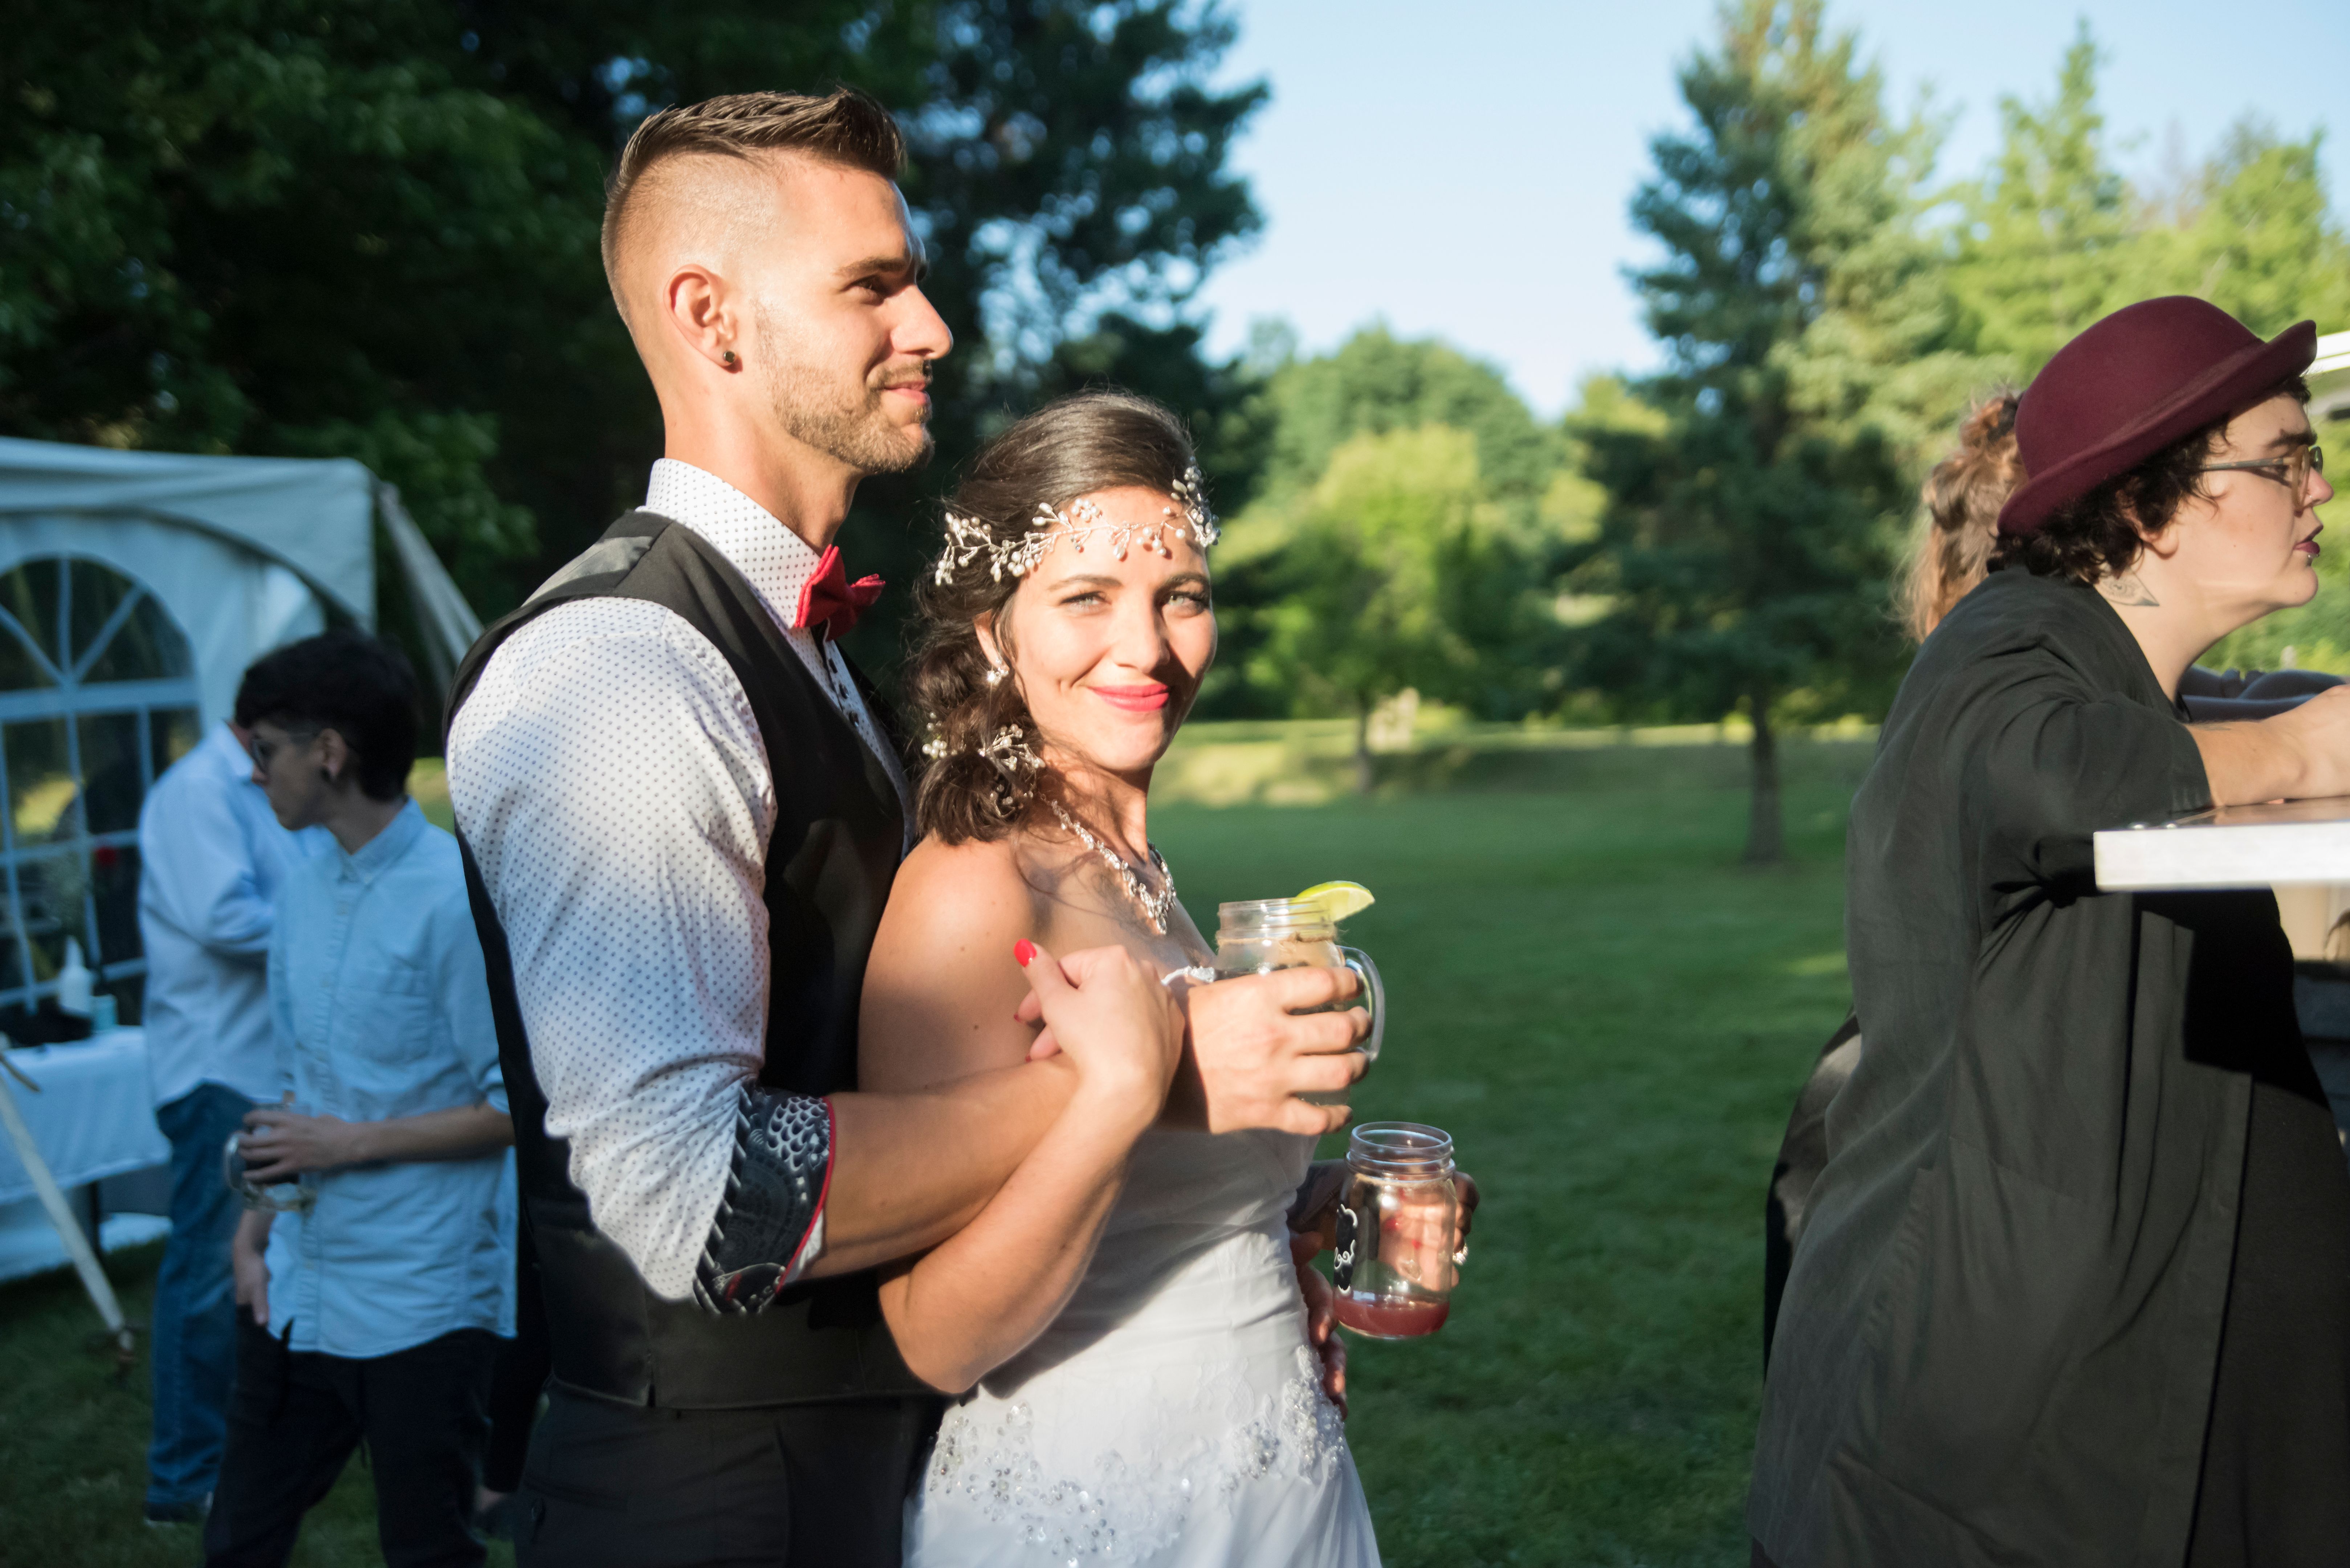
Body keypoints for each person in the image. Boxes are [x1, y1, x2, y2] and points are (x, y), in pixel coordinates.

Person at [443, 89, 1367, 1568]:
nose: (930, 325)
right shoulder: (619, 671)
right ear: (711, 318)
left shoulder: (811, 662)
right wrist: (1146, 1075)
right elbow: (700, 1202)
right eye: (872, 287)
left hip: (882, 1470)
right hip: (710, 1504)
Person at [1750, 294, 2350, 1567]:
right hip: (1988, 1429)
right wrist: (2302, 750)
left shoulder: (2130, 675)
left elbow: (2247, 713)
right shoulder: (2006, 643)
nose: (2319, 489)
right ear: (2148, 506)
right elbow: (2047, 769)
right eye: (2285, 459)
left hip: (2128, 1387)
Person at [862, 391, 1382, 1565]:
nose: (1146, 649)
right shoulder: (978, 890)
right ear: (993, 633)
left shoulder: (1139, 878)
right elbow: (934, 1339)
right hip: (1097, 1516)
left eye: (1180, 597)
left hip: (1281, 1495)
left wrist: (1318, 1206)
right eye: (1087, 598)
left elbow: (1158, 1199)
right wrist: (1126, 1092)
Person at [205, 630, 514, 1568]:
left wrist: (347, 1146)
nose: (254, 772)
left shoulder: (452, 899)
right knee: (237, 1543)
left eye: (265, 748)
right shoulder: (299, 895)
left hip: (423, 1293)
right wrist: (252, 1235)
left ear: (329, 753)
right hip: (296, 1281)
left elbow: (515, 1111)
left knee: (428, 1550)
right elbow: (301, 1088)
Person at [135, 716, 319, 1525]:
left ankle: (255, 1450)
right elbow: (223, 919)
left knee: (264, 1260)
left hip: (264, 1068)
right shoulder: (197, 793)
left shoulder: (261, 783)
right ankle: (182, 1480)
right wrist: (340, 926)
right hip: (219, 1069)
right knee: (210, 1270)